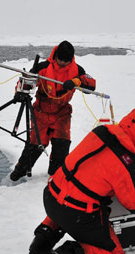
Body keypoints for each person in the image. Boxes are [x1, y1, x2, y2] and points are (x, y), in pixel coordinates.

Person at [28, 106, 135, 254]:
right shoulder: (128, 164)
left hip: (51, 197)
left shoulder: (101, 131)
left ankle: (42, 240)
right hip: (78, 215)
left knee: (68, 197)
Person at [9, 40, 96, 181]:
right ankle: (18, 174)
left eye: (65, 61)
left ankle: (56, 179)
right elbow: (26, 82)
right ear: (55, 57)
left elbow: (92, 85)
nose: (62, 63)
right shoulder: (42, 67)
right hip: (41, 112)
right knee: (35, 144)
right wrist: (20, 92)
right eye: (60, 60)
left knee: (61, 146)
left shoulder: (78, 71)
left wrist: (77, 82)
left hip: (62, 113)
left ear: (71, 59)